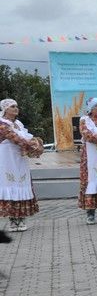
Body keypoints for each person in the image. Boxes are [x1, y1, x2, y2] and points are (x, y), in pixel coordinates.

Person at [0, 99, 43, 232]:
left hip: (20, 158)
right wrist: (34, 145)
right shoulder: (2, 124)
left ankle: (22, 217)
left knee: (22, 184)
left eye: (17, 106)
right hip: (7, 159)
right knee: (11, 184)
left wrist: (35, 142)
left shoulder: (18, 124)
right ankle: (13, 220)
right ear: (5, 109)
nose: (16, 108)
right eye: (12, 106)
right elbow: (15, 138)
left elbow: (26, 136)